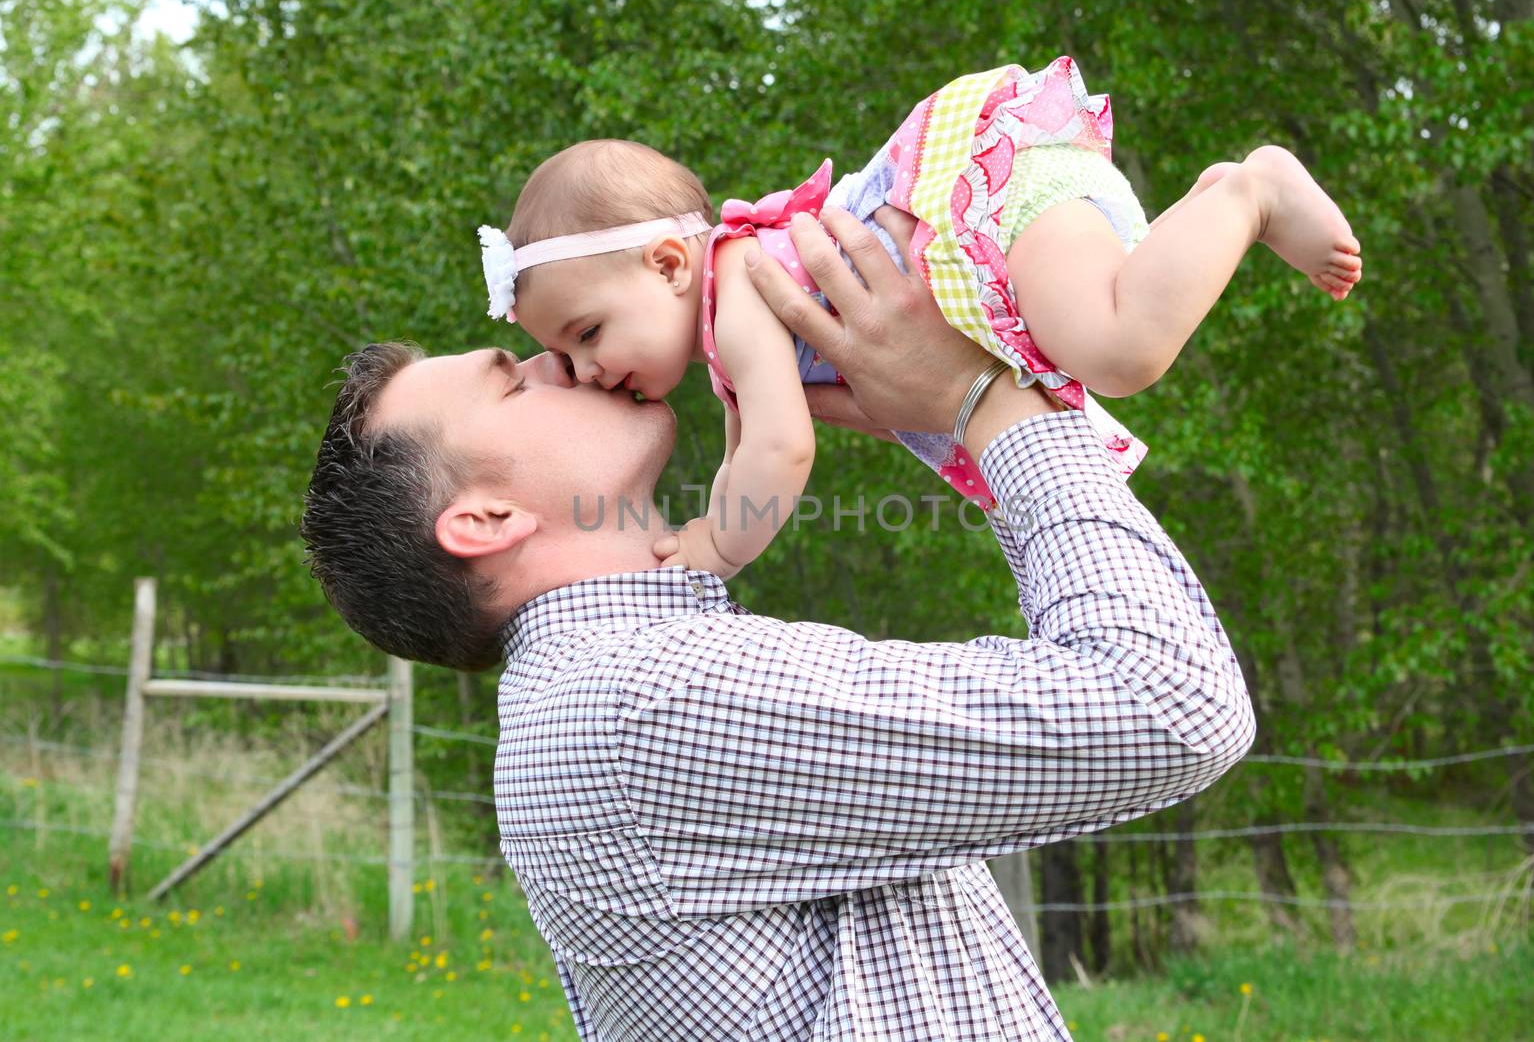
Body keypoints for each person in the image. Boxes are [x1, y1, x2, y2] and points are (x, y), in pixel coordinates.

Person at [300, 205, 1257, 1041]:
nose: (564, 359)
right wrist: (988, 407)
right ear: (483, 521)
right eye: (516, 381)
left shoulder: (595, 700)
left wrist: (945, 416)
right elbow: (1170, 700)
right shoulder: (647, 699)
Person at [476, 57, 1361, 579]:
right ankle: (1206, 206)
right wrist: (702, 527)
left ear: (669, 264)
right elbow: (751, 449)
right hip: (1007, 234)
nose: (584, 370)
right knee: (1112, 336)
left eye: (585, 333)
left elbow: (780, 451)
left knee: (1125, 349)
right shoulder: (729, 324)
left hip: (991, 202)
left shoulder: (741, 289)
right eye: (560, 351)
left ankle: (1250, 189)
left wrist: (717, 548)